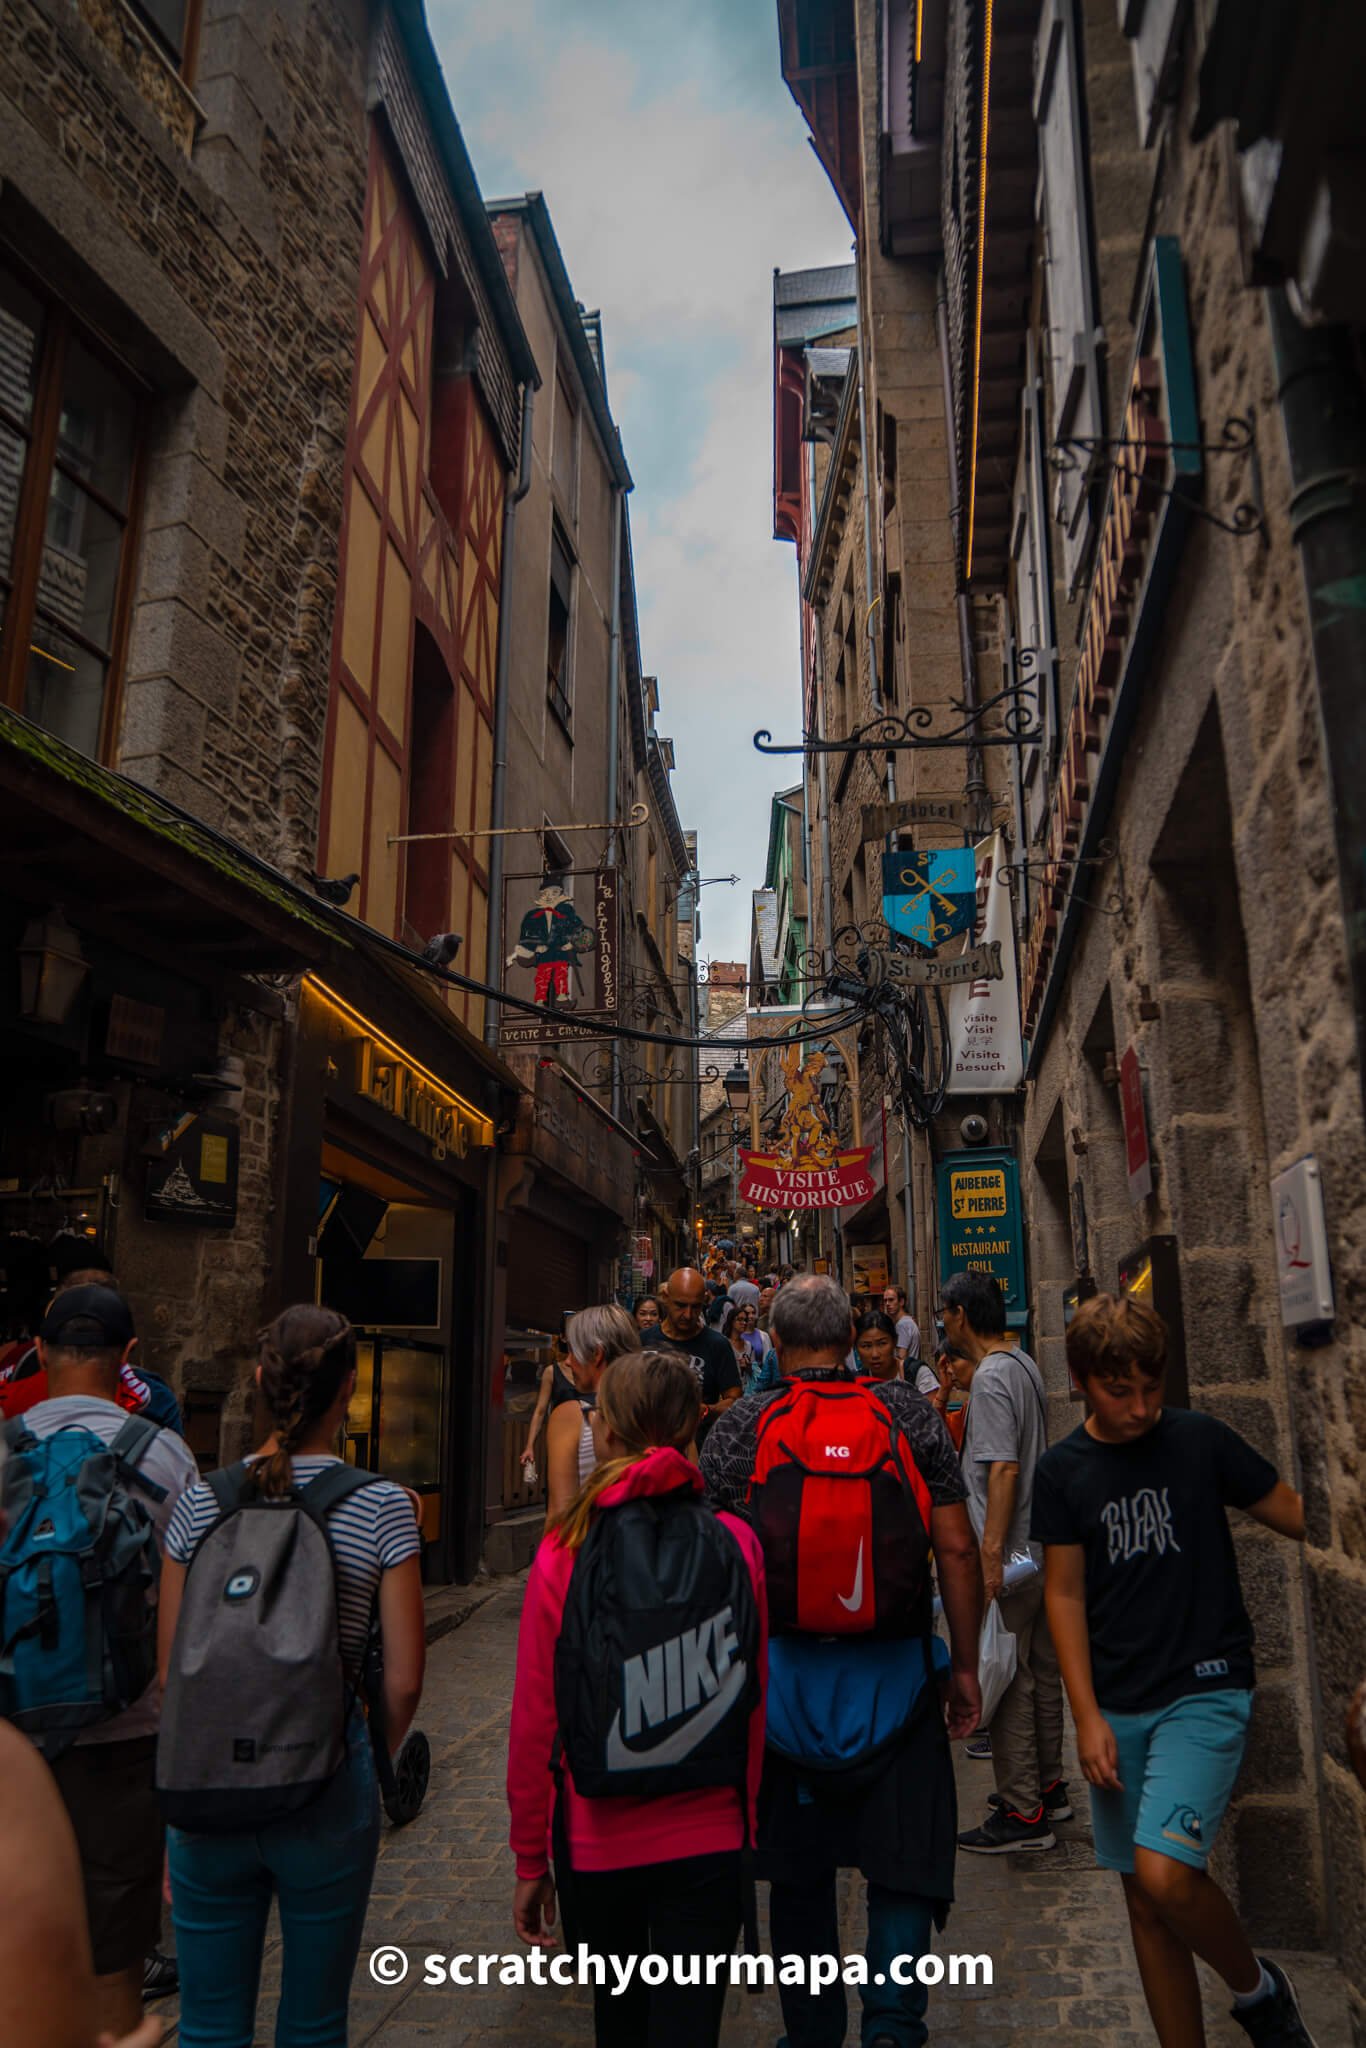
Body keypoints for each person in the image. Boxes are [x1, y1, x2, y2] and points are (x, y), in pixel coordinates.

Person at [702, 1275, 983, 2048]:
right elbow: (957, 1547)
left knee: (798, 1877)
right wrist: (964, 1668)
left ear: (781, 1345)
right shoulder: (907, 1414)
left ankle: (814, 2031)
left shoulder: (742, 1427)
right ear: (847, 1336)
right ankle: (891, 2027)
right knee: (900, 1869)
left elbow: (716, 1561)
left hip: (780, 1689)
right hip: (894, 1681)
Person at [1032, 1293, 1314, 2046]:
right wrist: (1086, 1715)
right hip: (1119, 1702)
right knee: (1145, 1908)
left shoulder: (1200, 1441)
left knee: (1164, 1874)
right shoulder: (1062, 1473)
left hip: (1207, 1684)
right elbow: (1062, 1593)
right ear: (1082, 1381)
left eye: (1152, 1388)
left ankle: (1258, 1993)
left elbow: (1295, 1510)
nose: (1140, 1407)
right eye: (1119, 1391)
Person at [157, 1305, 426, 2048]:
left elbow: (170, 1673)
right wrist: (365, 1752)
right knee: (313, 2024)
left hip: (207, 1790)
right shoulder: (380, 1507)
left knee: (208, 2026)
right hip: (326, 1785)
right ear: (349, 1392)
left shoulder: (198, 1504)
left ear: (257, 1383)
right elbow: (402, 1680)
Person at [508, 1350, 768, 2048]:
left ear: (609, 1434)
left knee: (619, 2025)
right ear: (691, 1431)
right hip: (710, 1832)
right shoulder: (737, 1541)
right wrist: (746, 1826)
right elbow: (751, 1701)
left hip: (599, 1841)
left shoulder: (565, 1548)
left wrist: (532, 1858)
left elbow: (538, 1716)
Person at [5, 1286, 196, 2043]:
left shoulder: (2, 1446)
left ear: (40, 1354)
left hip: (12, 1738)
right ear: (129, 1359)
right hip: (125, 1736)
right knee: (116, 1961)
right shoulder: (163, 1454)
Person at [942, 1272, 1064, 1854]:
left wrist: (990, 1559)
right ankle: (1048, 1786)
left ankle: (1022, 1814)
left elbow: (1004, 1469)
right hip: (1037, 1548)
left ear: (962, 1314)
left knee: (1010, 1679)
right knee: (1039, 1671)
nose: (943, 1323)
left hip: (1013, 1552)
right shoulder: (1024, 1364)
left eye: (946, 1314)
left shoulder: (990, 1378)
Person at [544, 1304, 639, 1522]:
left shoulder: (571, 1416)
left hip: (592, 1550)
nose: (567, 1361)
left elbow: (560, 1514)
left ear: (596, 1354)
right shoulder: (666, 1410)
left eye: (573, 1351)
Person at [653, 1267, 742, 1439]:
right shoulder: (643, 1341)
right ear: (666, 1298)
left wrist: (707, 1410)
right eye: (680, 1306)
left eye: (695, 1307)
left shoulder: (717, 1345)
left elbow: (735, 1401)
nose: (688, 1315)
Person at [883, 1283, 932, 1392]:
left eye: (891, 1300)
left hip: (905, 1380)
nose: (887, 1304)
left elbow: (901, 1357)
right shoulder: (906, 1322)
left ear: (901, 1302)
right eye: (885, 1300)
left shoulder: (903, 1325)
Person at [852, 1307, 901, 1380]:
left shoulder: (916, 1375)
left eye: (882, 1344)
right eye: (866, 1346)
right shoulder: (857, 1382)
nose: (875, 1355)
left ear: (894, 1341)